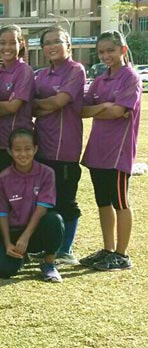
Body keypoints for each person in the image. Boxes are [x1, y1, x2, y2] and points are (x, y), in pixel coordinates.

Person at [79, 30, 142, 271]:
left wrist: (105, 107)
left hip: (117, 154)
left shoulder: (131, 78)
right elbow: (83, 110)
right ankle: (107, 249)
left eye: (111, 50)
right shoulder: (100, 79)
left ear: (123, 50)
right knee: (102, 203)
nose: (106, 55)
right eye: (102, 51)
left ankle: (122, 254)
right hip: (97, 151)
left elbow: (120, 112)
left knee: (120, 203)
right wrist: (104, 106)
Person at [33, 26, 86, 265]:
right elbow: (31, 106)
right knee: (44, 200)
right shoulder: (42, 75)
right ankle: (46, 246)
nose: (52, 46)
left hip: (65, 149)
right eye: (47, 43)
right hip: (41, 147)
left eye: (57, 41)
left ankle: (65, 250)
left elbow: (59, 102)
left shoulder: (76, 70)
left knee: (66, 200)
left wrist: (45, 104)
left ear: (69, 45)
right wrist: (47, 104)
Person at [0, 128, 64, 282]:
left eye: (28, 149)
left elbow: (42, 208)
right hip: (12, 232)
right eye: (17, 150)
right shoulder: (3, 178)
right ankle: (20, 257)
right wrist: (8, 243)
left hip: (34, 231)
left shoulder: (47, 173)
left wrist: (25, 237)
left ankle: (49, 264)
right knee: (1, 271)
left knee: (55, 220)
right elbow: (1, 214)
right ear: (10, 151)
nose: (23, 154)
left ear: (35, 149)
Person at [0, 25, 34, 176]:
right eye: (2, 43)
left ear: (21, 44)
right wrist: (4, 105)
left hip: (19, 146)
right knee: (0, 191)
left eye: (12, 42)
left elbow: (14, 107)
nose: (7, 47)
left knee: (19, 192)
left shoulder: (24, 70)